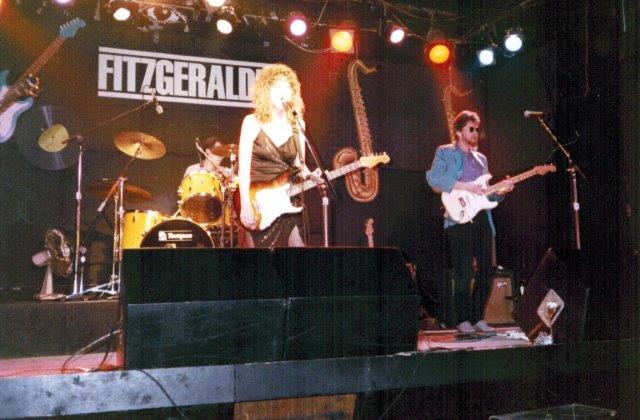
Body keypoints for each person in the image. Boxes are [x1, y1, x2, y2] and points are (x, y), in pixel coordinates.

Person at [426, 110, 513, 333]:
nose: (475, 133)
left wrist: (501, 192)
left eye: (477, 129)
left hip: (482, 216)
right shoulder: (445, 152)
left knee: (487, 269)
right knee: (463, 270)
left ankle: (477, 318)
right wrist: (466, 187)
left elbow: (487, 195)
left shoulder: (481, 159)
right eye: (470, 129)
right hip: (459, 215)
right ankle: (462, 319)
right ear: (458, 131)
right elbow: (434, 180)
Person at [237, 63, 320, 248]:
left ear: (293, 94)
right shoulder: (252, 122)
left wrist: (311, 175)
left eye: (286, 87)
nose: (282, 91)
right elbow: (243, 170)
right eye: (277, 87)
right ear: (266, 91)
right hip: (260, 202)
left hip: (289, 202)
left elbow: (300, 167)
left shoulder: (298, 125)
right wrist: (245, 205)